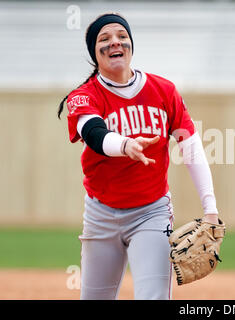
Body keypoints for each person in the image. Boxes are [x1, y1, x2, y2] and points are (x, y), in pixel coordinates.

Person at [57, 12, 219, 300]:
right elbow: (94, 132)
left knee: (153, 296)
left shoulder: (163, 91)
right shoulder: (84, 96)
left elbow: (191, 147)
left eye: (122, 36)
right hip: (101, 214)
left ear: (131, 44)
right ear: (95, 54)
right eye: (103, 39)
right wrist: (124, 145)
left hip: (151, 213)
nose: (114, 42)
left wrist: (211, 209)